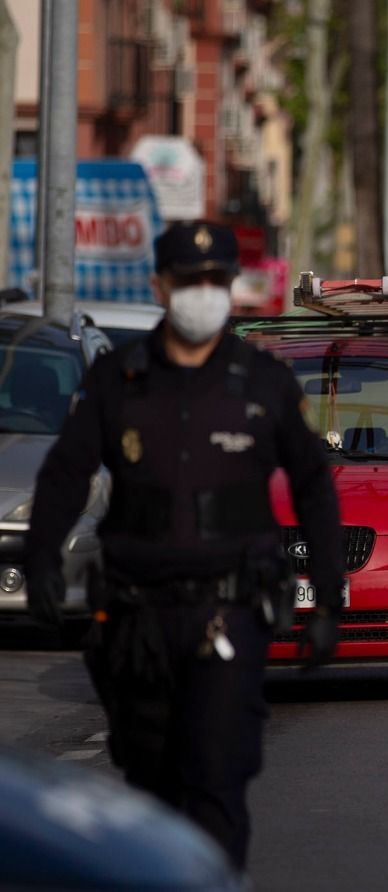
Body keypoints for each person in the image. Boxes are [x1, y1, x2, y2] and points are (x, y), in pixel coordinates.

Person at [23, 221, 344, 869]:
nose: (203, 292)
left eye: (214, 281)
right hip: (137, 620)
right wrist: (40, 562)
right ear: (160, 287)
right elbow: (66, 471)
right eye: (189, 281)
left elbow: (313, 486)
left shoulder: (263, 381)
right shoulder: (120, 378)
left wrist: (329, 598)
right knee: (150, 791)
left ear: (231, 287)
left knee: (214, 780)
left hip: (229, 615)